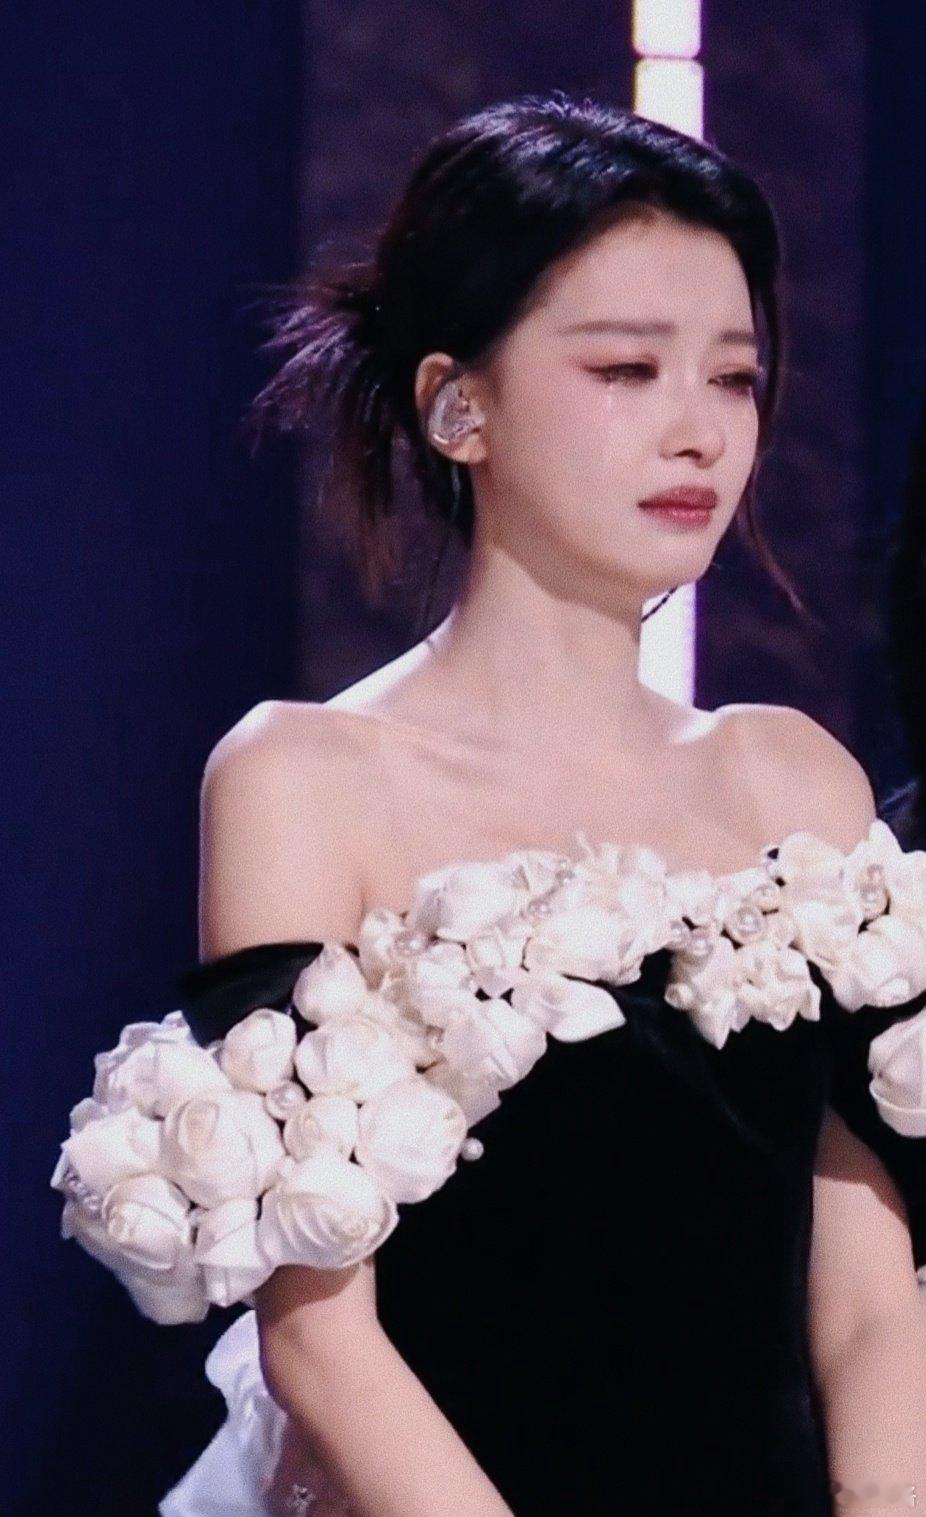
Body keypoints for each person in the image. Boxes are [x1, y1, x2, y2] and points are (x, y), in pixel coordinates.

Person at [57, 94, 926, 1517]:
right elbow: (320, 1337)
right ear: (458, 404)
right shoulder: (307, 777)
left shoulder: (791, 776)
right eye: (627, 368)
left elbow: (868, 1297)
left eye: (734, 378)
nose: (700, 432)